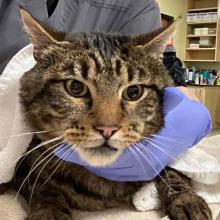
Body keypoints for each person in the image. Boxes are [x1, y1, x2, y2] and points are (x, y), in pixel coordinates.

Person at [0, 0, 212, 181]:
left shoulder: (137, 5)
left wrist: (183, 100)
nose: (107, 126)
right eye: (76, 88)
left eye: (132, 92)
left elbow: (161, 75)